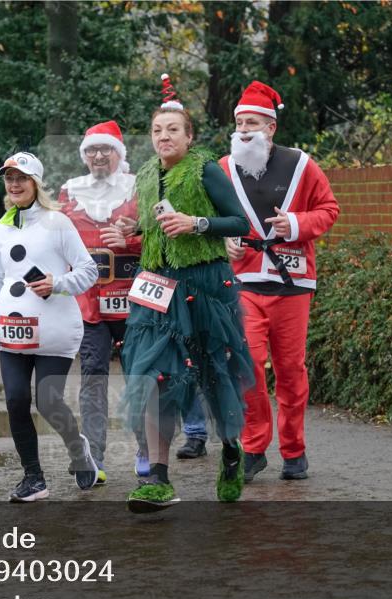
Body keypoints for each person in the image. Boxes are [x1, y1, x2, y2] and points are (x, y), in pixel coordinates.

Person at [118, 74, 253, 512]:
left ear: (189, 136)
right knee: (155, 377)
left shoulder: (205, 169)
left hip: (206, 286)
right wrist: (132, 232)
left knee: (215, 375)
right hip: (156, 289)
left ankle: (230, 452)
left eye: (172, 129)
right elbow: (154, 227)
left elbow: (241, 223)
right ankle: (157, 479)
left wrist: (197, 224)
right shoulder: (145, 175)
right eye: (157, 130)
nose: (164, 136)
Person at [219, 81, 340, 482]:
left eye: (252, 123)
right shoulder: (223, 168)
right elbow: (208, 218)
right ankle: (254, 448)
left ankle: (294, 449)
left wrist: (297, 224)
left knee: (290, 370)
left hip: (293, 284)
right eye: (239, 123)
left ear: (271, 127)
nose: (244, 131)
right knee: (247, 364)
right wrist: (223, 240)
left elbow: (329, 209)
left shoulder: (302, 164)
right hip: (245, 282)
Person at [0, 152, 98, 501]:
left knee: (49, 403)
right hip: (12, 330)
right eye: (9, 178)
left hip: (54, 330)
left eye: (21, 178)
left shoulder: (58, 222)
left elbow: (89, 271)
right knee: (16, 400)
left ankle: (79, 451)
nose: (14, 184)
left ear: (35, 182)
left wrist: (57, 283)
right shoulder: (1, 228)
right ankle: (33, 478)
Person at [58, 120, 146, 483]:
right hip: (89, 303)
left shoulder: (140, 188)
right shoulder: (69, 191)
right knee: (92, 377)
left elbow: (165, 238)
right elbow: (56, 242)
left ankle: (147, 449)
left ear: (118, 154)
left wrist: (131, 241)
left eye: (105, 149)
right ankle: (93, 457)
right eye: (92, 150)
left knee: (140, 376)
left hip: (133, 299)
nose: (98, 156)